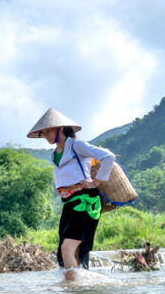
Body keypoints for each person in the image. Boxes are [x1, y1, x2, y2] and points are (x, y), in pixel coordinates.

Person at [27, 108, 116, 280]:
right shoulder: (54, 155)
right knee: (67, 252)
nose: (45, 136)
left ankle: (73, 289)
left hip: (85, 200)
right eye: (43, 133)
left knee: (67, 248)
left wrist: (96, 181)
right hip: (69, 204)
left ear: (60, 128)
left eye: (47, 131)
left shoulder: (76, 145)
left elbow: (108, 157)